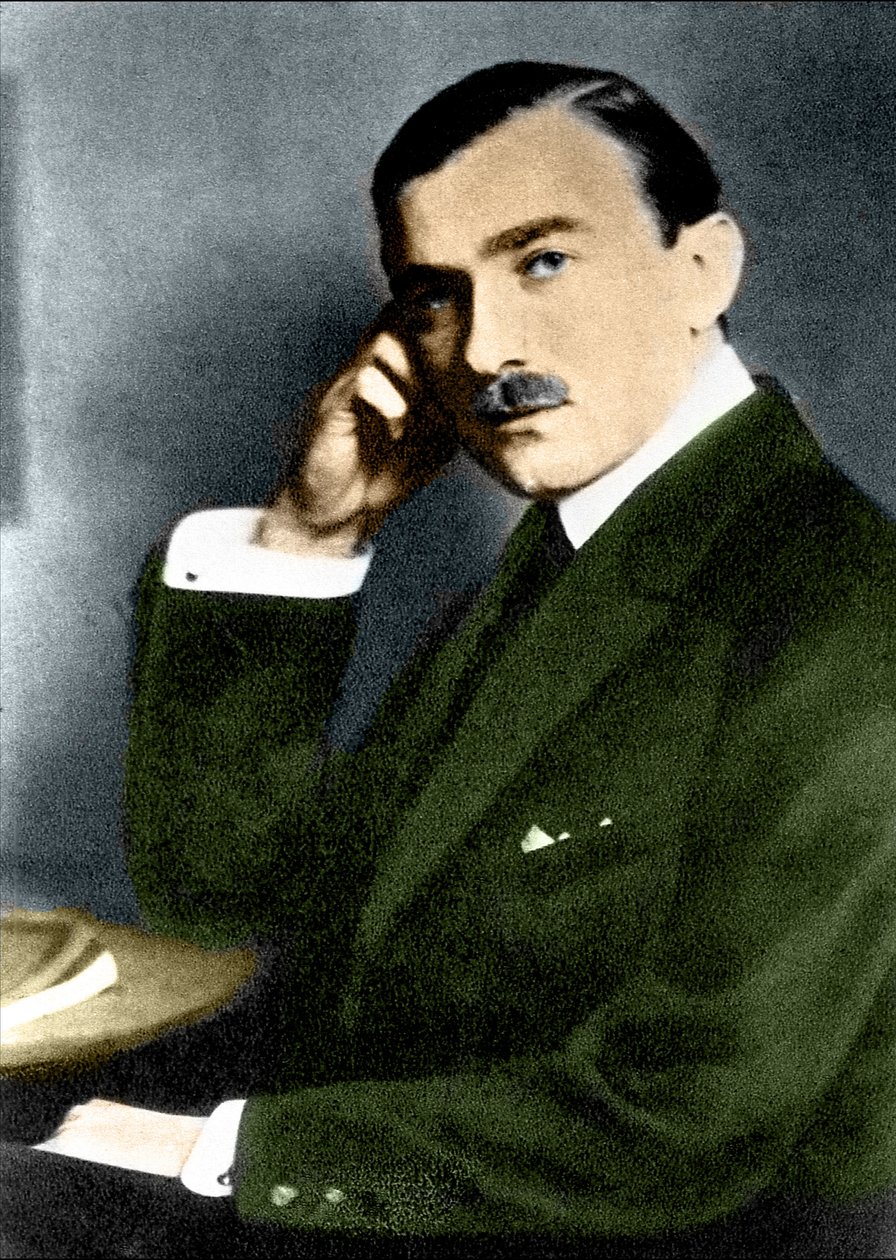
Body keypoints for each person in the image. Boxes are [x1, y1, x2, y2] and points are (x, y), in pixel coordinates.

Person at [4, 61, 894, 1258]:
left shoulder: (836, 605)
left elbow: (677, 1127)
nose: (484, 349)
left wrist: (224, 1153)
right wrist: (307, 536)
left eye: (542, 261)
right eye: (433, 298)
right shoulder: (577, 553)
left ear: (701, 268)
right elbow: (225, 894)